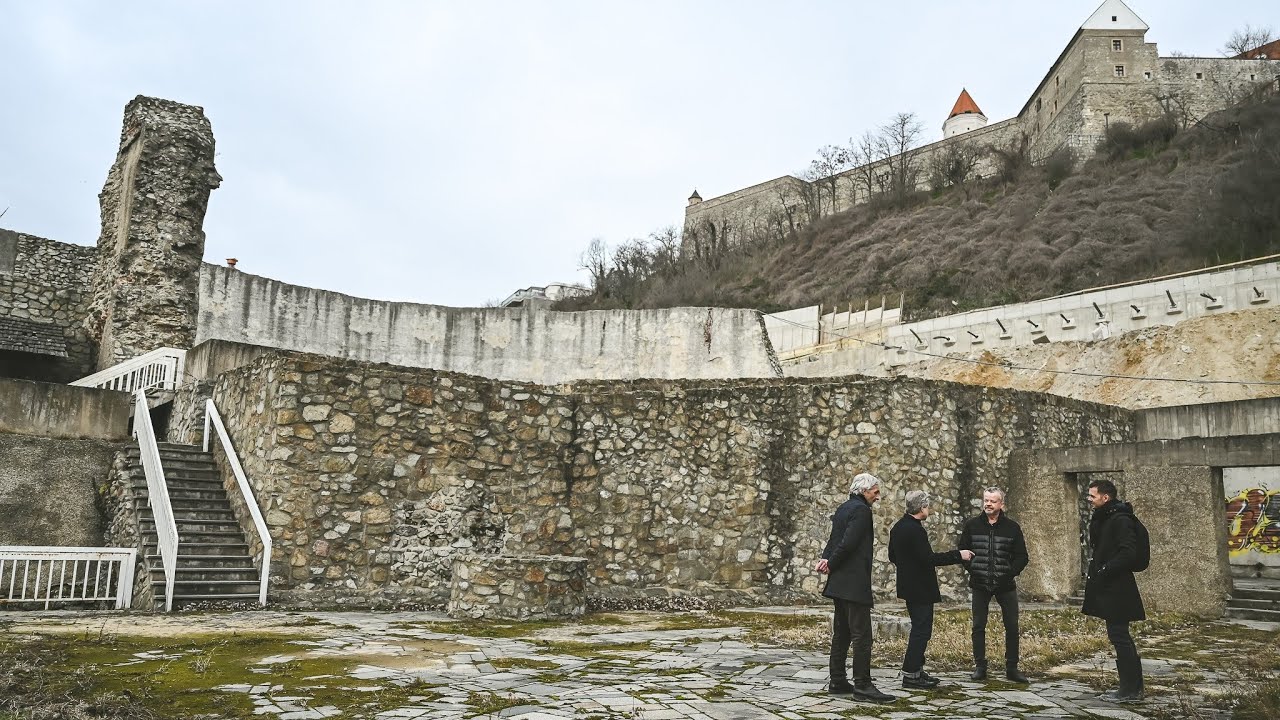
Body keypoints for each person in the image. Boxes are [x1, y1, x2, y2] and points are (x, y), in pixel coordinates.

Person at [816, 472, 894, 703]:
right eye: (875, 492)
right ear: (863, 491)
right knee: (862, 636)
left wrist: (827, 559)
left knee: (842, 633)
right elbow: (848, 543)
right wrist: (830, 562)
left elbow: (834, 539)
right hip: (852, 582)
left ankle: (837, 680)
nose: (878, 497)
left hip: (840, 582)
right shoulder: (861, 511)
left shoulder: (844, 508)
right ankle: (862, 685)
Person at [888, 490, 974, 689]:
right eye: (927, 506)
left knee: (921, 628)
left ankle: (916, 670)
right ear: (921, 508)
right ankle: (911, 674)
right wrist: (958, 555)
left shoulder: (898, 527)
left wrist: (908, 566)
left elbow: (893, 556)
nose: (929, 509)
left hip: (909, 586)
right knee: (921, 630)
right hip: (920, 587)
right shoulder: (915, 530)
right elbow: (929, 559)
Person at [1081, 478, 1145, 703]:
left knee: (1119, 635)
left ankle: (1130, 690)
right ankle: (1131, 688)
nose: (1089, 499)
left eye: (1092, 496)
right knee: (1119, 636)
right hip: (1111, 585)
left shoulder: (1119, 520)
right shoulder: (1106, 518)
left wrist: (1105, 570)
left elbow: (1128, 553)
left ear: (1105, 497)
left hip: (1119, 588)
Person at [958, 486, 1030, 683]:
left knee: (1012, 626)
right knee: (978, 626)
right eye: (986, 500)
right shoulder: (972, 525)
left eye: (993, 501)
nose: (988, 504)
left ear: (1001, 504)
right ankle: (980, 666)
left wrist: (1008, 573)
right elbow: (962, 552)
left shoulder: (1012, 528)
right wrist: (974, 569)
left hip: (1005, 585)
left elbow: (1022, 557)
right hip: (980, 583)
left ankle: (1012, 668)